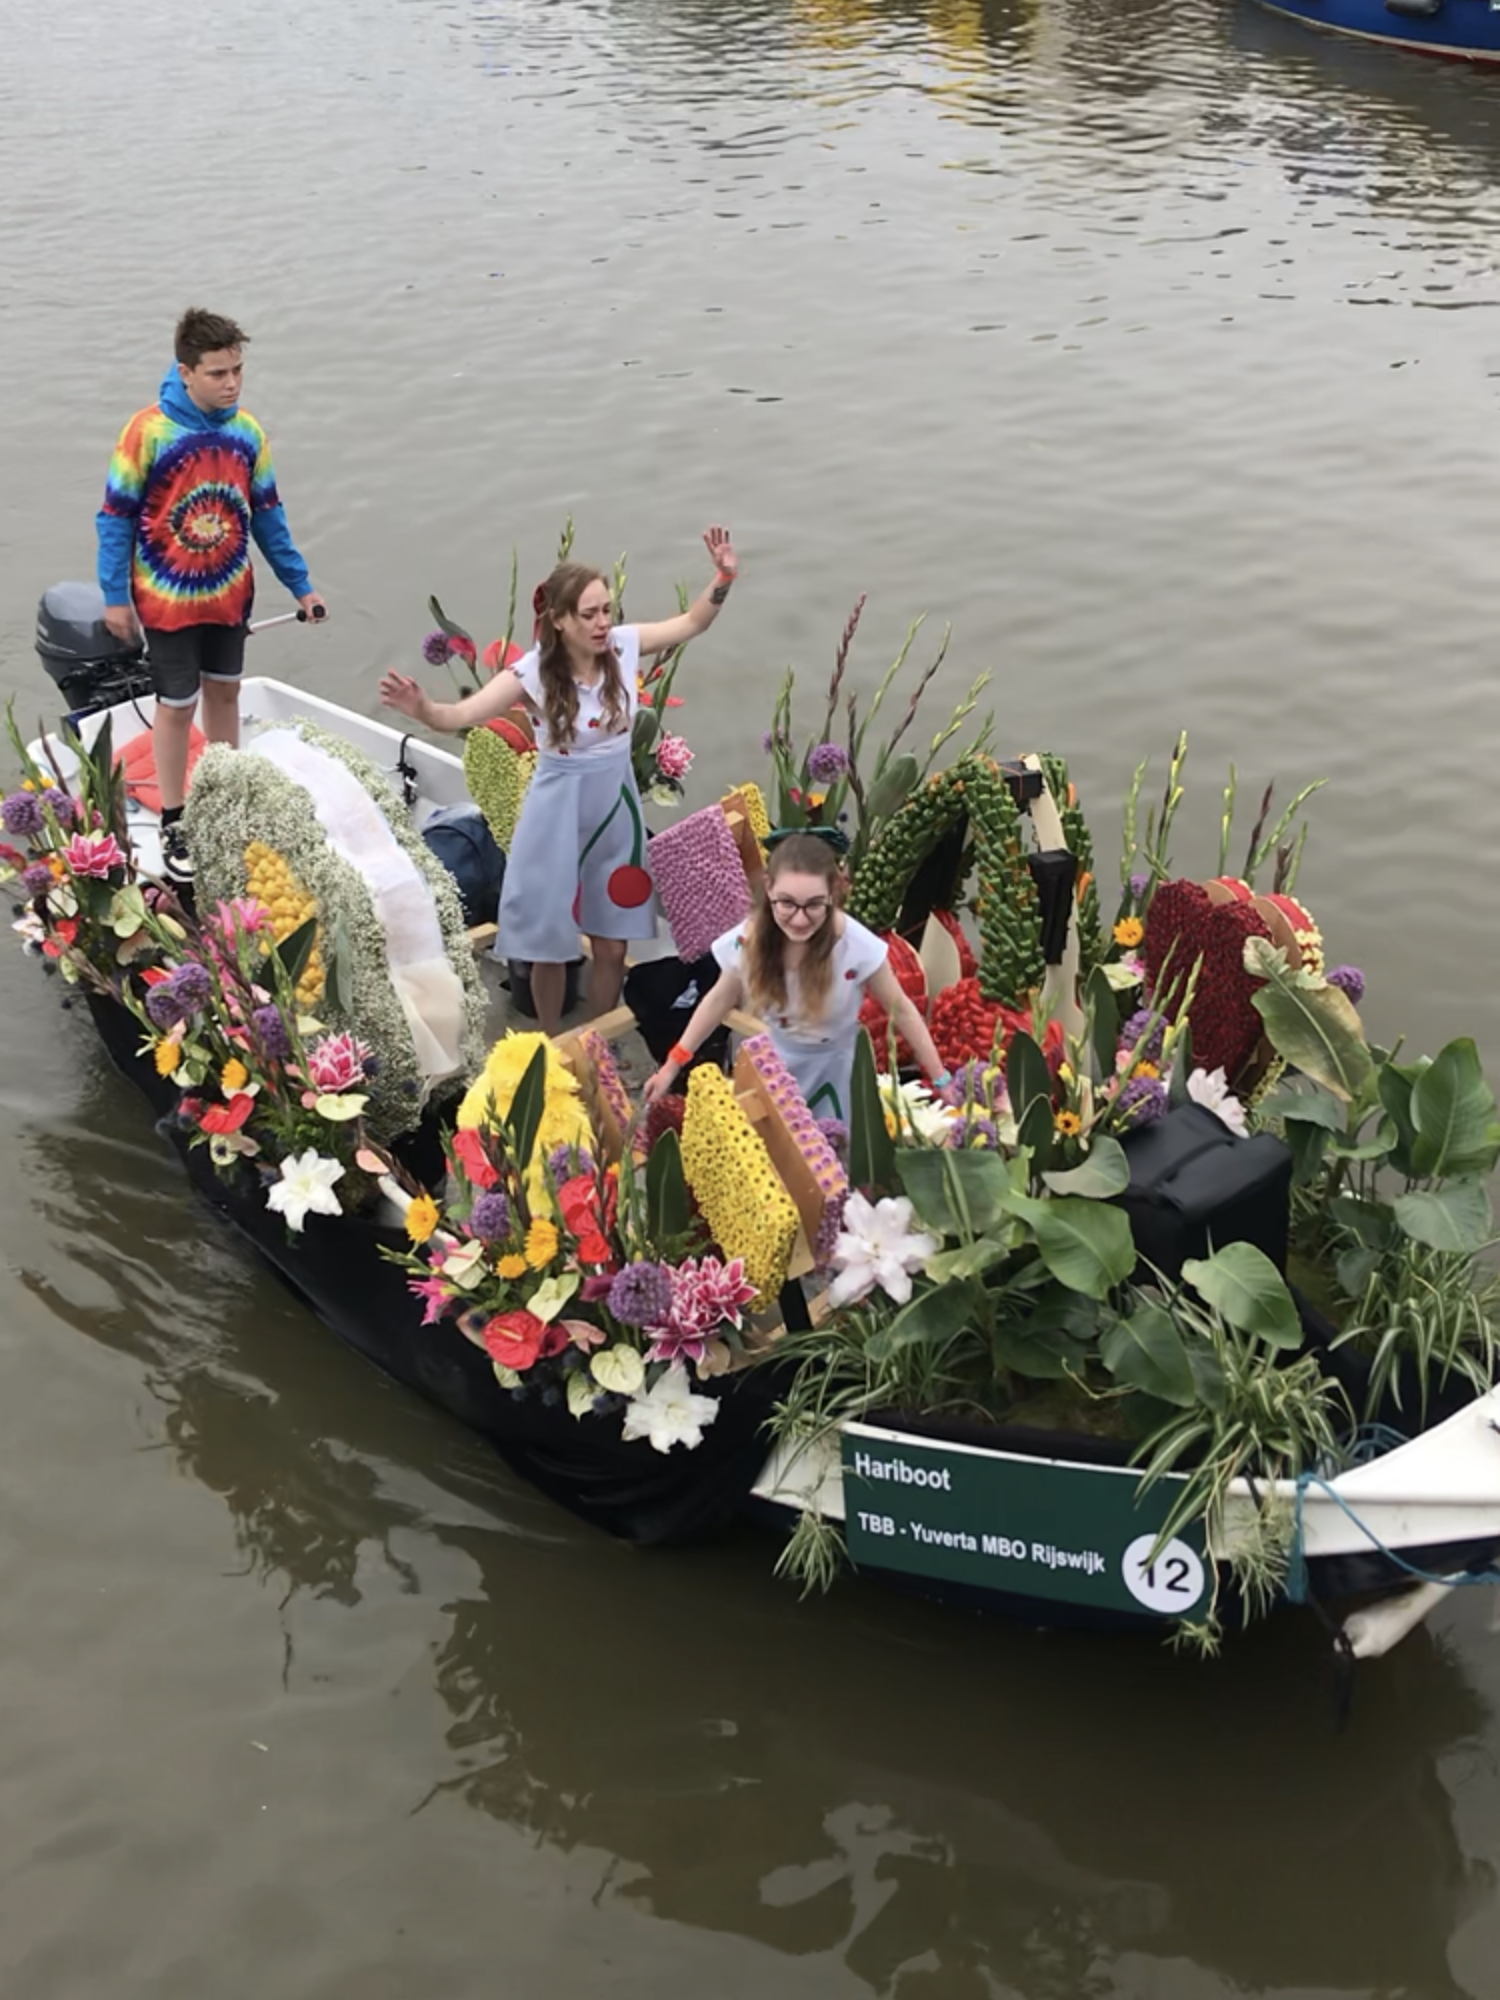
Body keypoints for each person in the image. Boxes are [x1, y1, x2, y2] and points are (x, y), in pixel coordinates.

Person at [380, 526, 738, 1036]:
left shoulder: (624, 646)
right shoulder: (534, 674)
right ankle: (551, 1038)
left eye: (606, 610)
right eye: (589, 614)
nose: (602, 623)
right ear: (561, 620)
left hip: (615, 812)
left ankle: (595, 1040)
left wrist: (723, 575)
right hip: (556, 814)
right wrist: (422, 708)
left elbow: (693, 622)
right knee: (550, 944)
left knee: (613, 942)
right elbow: (459, 712)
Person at [96, 307, 326, 884]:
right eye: (219, 373)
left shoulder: (247, 433)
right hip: (166, 599)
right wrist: (114, 596)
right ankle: (176, 817)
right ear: (186, 372)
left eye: (238, 371)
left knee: (225, 695)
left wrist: (302, 586)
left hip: (229, 594)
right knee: (176, 707)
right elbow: (115, 518)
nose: (232, 383)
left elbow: (269, 516)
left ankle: (225, 799)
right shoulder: (145, 433)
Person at [642, 830, 952, 1121]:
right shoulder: (750, 939)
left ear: (834, 891)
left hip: (838, 1073)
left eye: (814, 905)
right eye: (786, 903)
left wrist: (941, 1077)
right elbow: (719, 999)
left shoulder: (856, 945)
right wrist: (672, 1065)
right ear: (769, 888)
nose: (800, 919)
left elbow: (902, 1010)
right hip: (772, 1069)